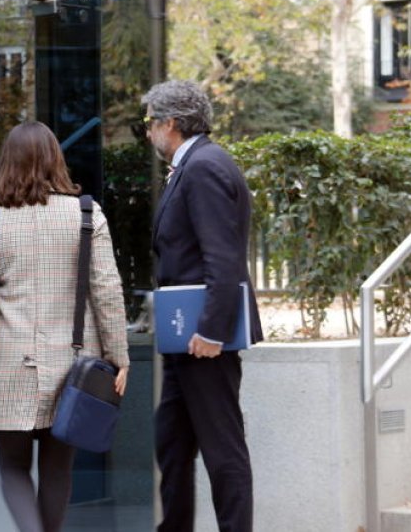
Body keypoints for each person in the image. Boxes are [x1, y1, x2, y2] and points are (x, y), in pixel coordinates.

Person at [0, 121, 130, 532]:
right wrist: (119, 357)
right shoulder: (86, 214)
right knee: (57, 470)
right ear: (55, 160)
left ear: (7, 164)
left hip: (7, 363)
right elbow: (107, 290)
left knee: (13, 470)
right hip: (72, 363)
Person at [143, 80, 263, 532]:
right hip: (185, 337)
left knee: (222, 448)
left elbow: (222, 257)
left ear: (170, 123)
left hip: (204, 338)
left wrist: (212, 331)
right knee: (171, 442)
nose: (149, 132)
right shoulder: (193, 165)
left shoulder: (204, 167)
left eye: (151, 123)